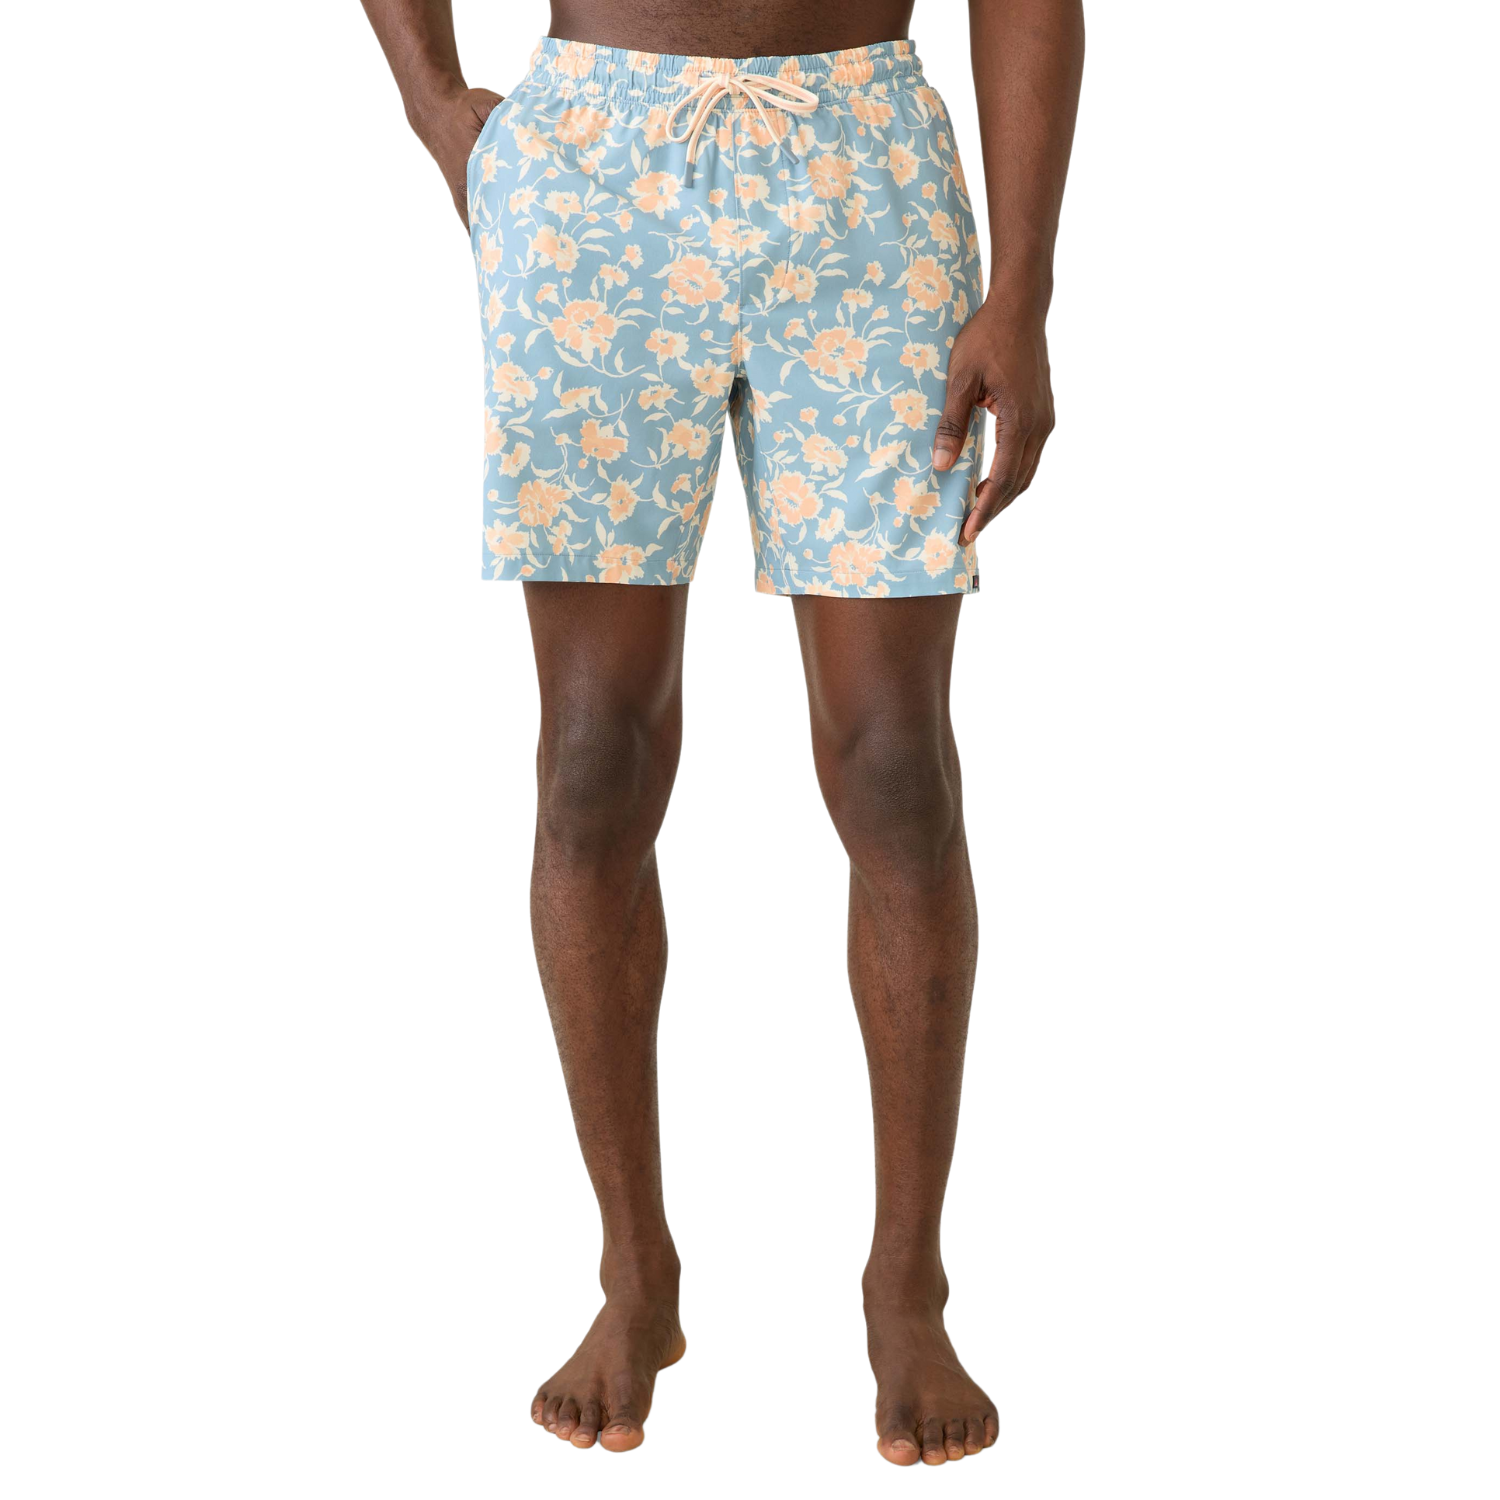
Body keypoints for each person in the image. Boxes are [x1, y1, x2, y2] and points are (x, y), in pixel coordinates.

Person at [359, 0, 1083, 1465]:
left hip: (866, 172)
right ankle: (636, 1271)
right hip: (592, 172)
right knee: (592, 764)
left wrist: (1024, 285)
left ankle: (907, 1284)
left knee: (894, 766)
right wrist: (432, 101)